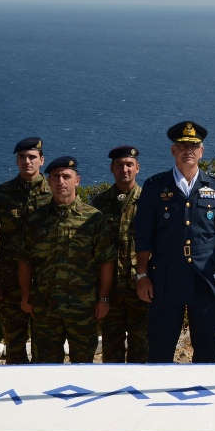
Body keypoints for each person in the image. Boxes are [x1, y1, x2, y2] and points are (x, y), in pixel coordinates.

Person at [135, 121, 215, 364]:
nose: (187, 150)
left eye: (193, 146)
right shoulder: (155, 186)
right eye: (182, 146)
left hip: (206, 279)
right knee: (160, 348)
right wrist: (141, 275)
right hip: (167, 279)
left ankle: (203, 398)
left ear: (201, 151)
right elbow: (143, 235)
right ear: (173, 151)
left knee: (207, 349)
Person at [20, 157, 114, 364]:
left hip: (82, 308)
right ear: (49, 182)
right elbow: (26, 261)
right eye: (56, 177)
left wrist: (103, 298)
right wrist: (26, 296)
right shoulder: (36, 219)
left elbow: (105, 261)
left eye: (66, 176)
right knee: (45, 367)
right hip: (46, 309)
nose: (61, 181)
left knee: (82, 367)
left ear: (77, 180)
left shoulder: (93, 218)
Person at [0, 137, 51, 365]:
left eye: (32, 157)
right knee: (14, 347)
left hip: (45, 283)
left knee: (45, 347)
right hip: (9, 282)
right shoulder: (2, 194)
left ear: (42, 160)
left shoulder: (55, 192)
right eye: (22, 157)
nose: (26, 161)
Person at [91, 145, 147, 363]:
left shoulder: (149, 202)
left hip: (140, 288)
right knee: (111, 351)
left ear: (138, 168)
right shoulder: (99, 203)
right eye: (120, 165)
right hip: (110, 289)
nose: (125, 169)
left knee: (141, 350)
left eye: (129, 165)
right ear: (112, 168)